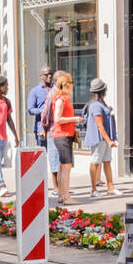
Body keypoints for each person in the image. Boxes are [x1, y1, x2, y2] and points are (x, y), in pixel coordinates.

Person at [48, 71, 80, 206]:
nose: (73, 85)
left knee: (63, 166)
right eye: (71, 82)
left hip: (63, 135)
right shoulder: (61, 100)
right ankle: (66, 196)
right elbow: (57, 119)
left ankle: (62, 195)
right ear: (66, 84)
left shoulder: (62, 99)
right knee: (66, 167)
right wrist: (75, 119)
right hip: (63, 136)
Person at [84, 78, 117, 197]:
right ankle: (93, 189)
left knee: (107, 161)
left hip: (105, 138)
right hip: (100, 139)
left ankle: (111, 187)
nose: (107, 90)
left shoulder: (101, 103)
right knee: (95, 162)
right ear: (102, 90)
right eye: (105, 88)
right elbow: (100, 126)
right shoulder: (96, 105)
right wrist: (109, 141)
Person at [26, 65, 52, 147]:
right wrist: (41, 110)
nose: (50, 76)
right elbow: (30, 109)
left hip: (54, 129)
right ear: (41, 76)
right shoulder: (35, 91)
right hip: (41, 129)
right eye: (47, 74)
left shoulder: (55, 89)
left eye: (51, 74)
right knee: (43, 156)